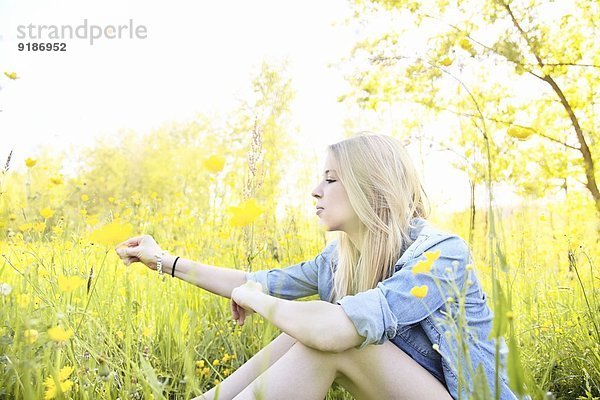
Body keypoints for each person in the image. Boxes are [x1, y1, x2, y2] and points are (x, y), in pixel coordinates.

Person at [115, 132, 520, 400]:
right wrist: (163, 260)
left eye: (331, 179)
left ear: (370, 186)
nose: (315, 190)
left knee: (335, 340)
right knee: (304, 334)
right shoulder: (339, 259)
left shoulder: (441, 254)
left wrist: (253, 300)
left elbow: (329, 330)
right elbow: (259, 281)